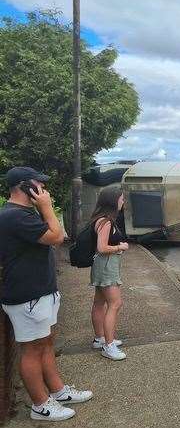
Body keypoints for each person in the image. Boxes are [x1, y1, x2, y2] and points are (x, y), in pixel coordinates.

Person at [0, 167, 92, 422]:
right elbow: (55, 238)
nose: (44, 189)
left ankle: (58, 391)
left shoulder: (26, 214)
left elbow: (60, 235)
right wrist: (47, 206)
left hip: (42, 291)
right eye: (39, 183)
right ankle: (40, 405)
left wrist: (45, 208)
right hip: (27, 295)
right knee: (31, 349)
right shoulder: (14, 216)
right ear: (24, 186)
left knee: (47, 342)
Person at [89, 186, 128, 361]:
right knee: (115, 303)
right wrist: (120, 247)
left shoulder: (100, 219)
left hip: (101, 265)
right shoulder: (106, 222)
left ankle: (100, 338)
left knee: (99, 302)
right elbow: (102, 247)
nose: (123, 202)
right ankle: (109, 346)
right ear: (113, 201)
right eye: (121, 199)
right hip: (106, 266)